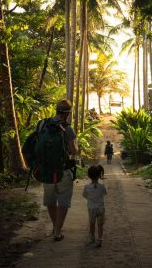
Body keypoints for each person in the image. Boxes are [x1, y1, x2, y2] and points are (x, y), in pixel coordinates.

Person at [42, 99, 78, 242]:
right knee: (63, 201)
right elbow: (73, 151)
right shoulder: (67, 128)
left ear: (56, 110)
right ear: (67, 113)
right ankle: (57, 231)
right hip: (62, 170)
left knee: (51, 201)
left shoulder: (43, 124)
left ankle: (55, 227)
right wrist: (75, 146)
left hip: (46, 171)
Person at [82, 165, 107, 247]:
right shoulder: (102, 186)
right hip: (100, 208)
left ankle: (92, 237)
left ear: (89, 176)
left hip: (91, 208)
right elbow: (104, 193)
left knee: (92, 223)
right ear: (99, 175)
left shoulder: (86, 187)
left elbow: (84, 195)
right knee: (100, 225)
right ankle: (100, 239)